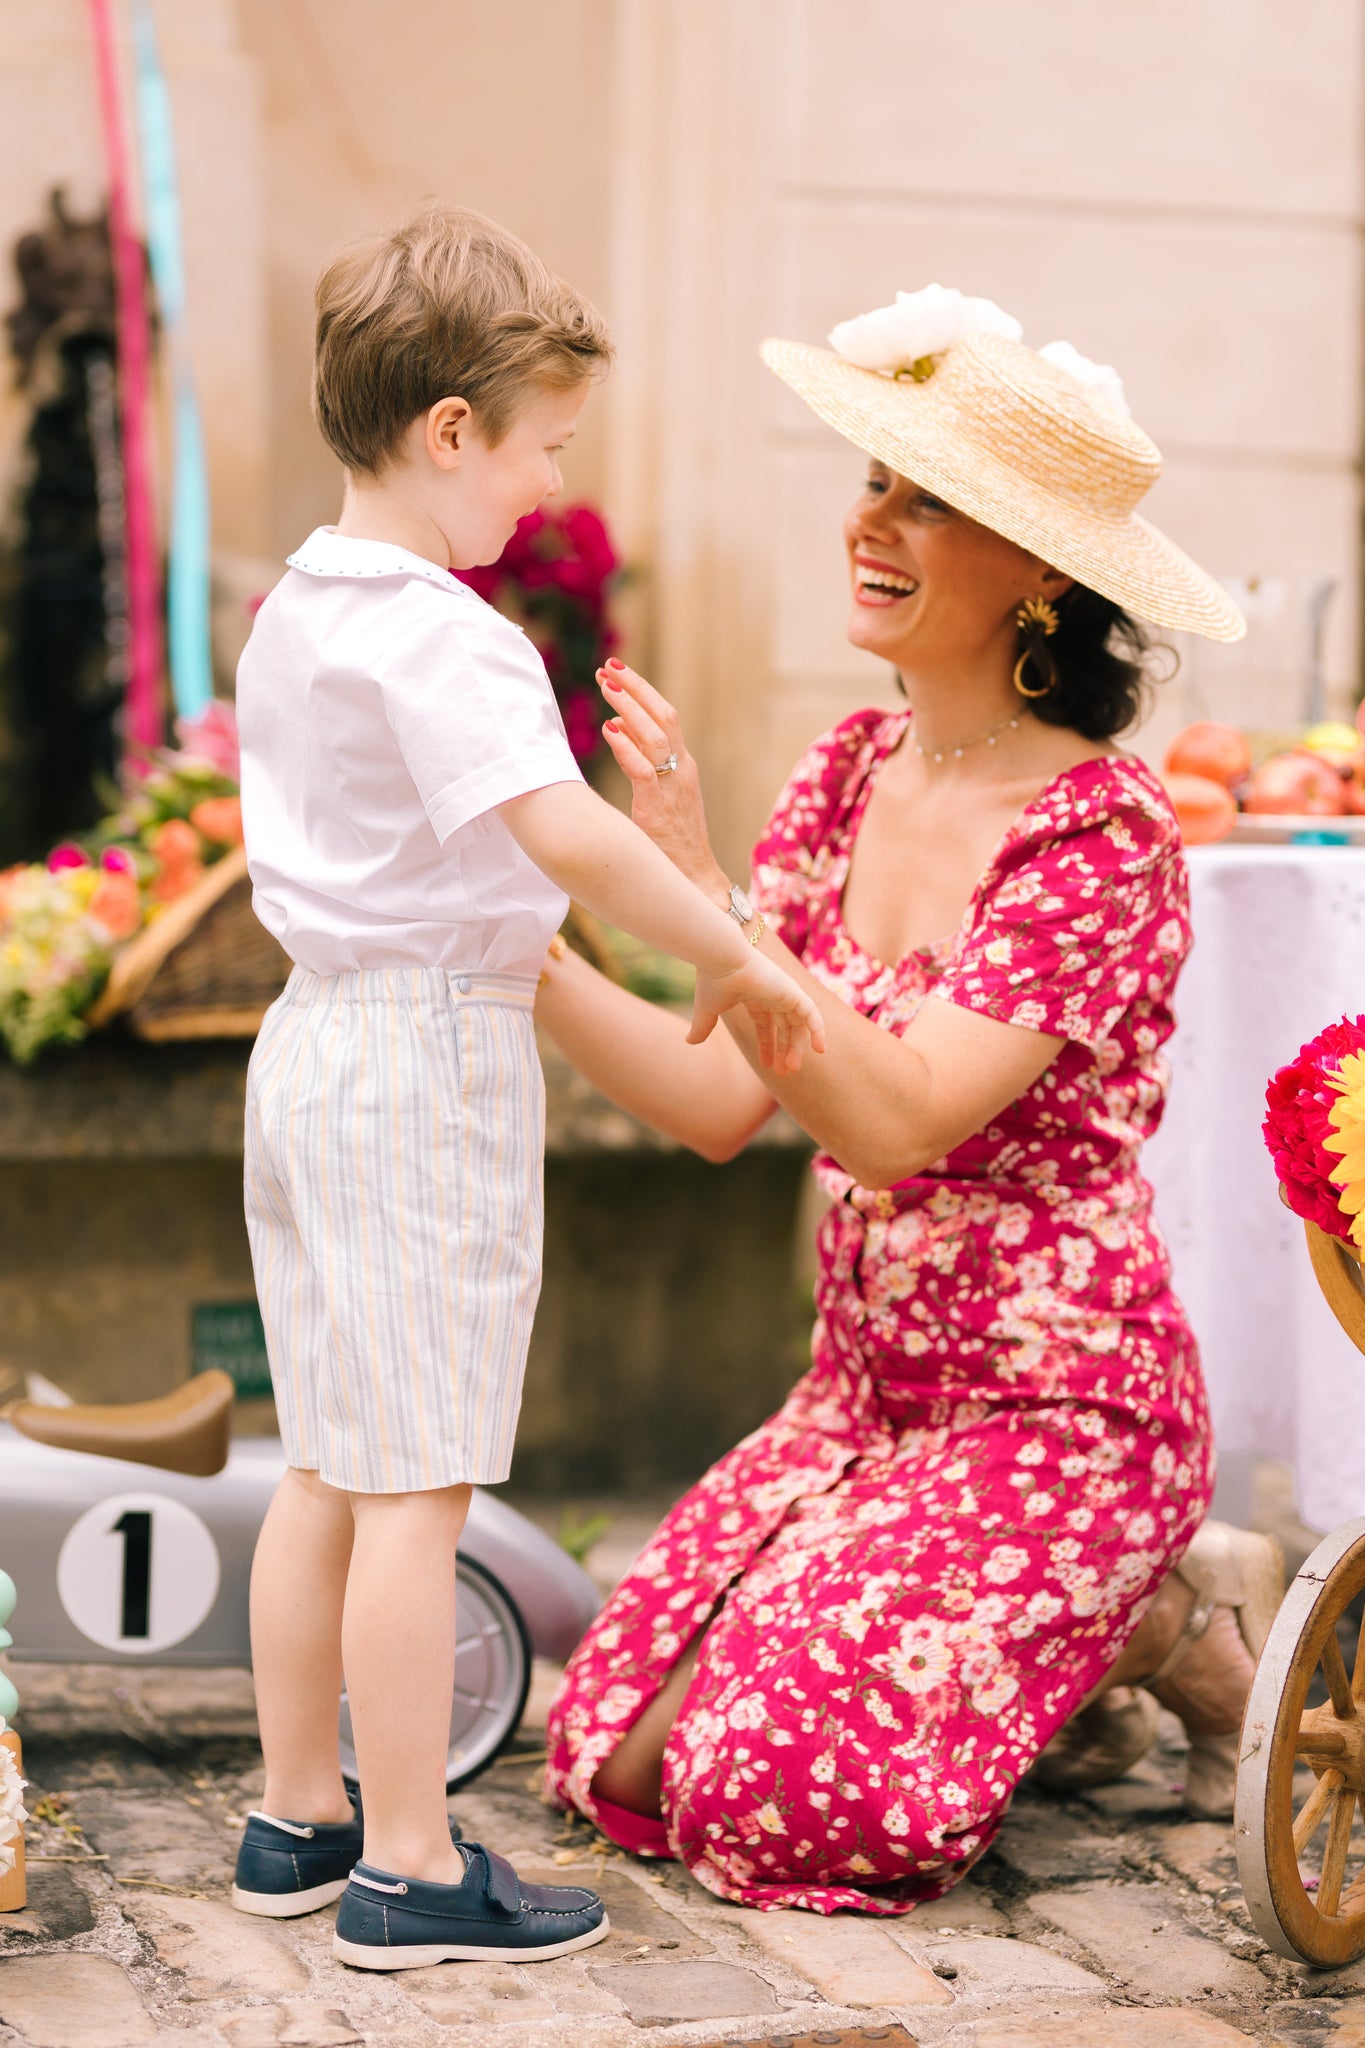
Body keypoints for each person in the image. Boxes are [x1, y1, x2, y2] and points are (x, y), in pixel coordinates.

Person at [537, 290, 1283, 1914]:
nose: (867, 521)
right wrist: (507, 946)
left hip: (1058, 1414)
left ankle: (1159, 1619)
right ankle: (1099, 1647)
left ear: (1039, 577)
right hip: (864, 1404)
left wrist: (696, 891)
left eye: (924, 499)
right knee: (614, 1753)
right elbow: (712, 1098)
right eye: (874, 479)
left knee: (775, 1797)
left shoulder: (1096, 836)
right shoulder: (840, 775)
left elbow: (892, 1123)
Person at [228, 206, 823, 1969]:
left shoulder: (300, 611)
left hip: (315, 1042)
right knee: (415, 1481)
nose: (542, 486)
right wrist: (724, 941)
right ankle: (410, 1860)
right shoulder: (445, 631)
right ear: (452, 431)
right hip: (420, 1059)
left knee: (329, 1459)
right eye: (543, 445)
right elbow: (555, 824)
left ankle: (296, 1816)